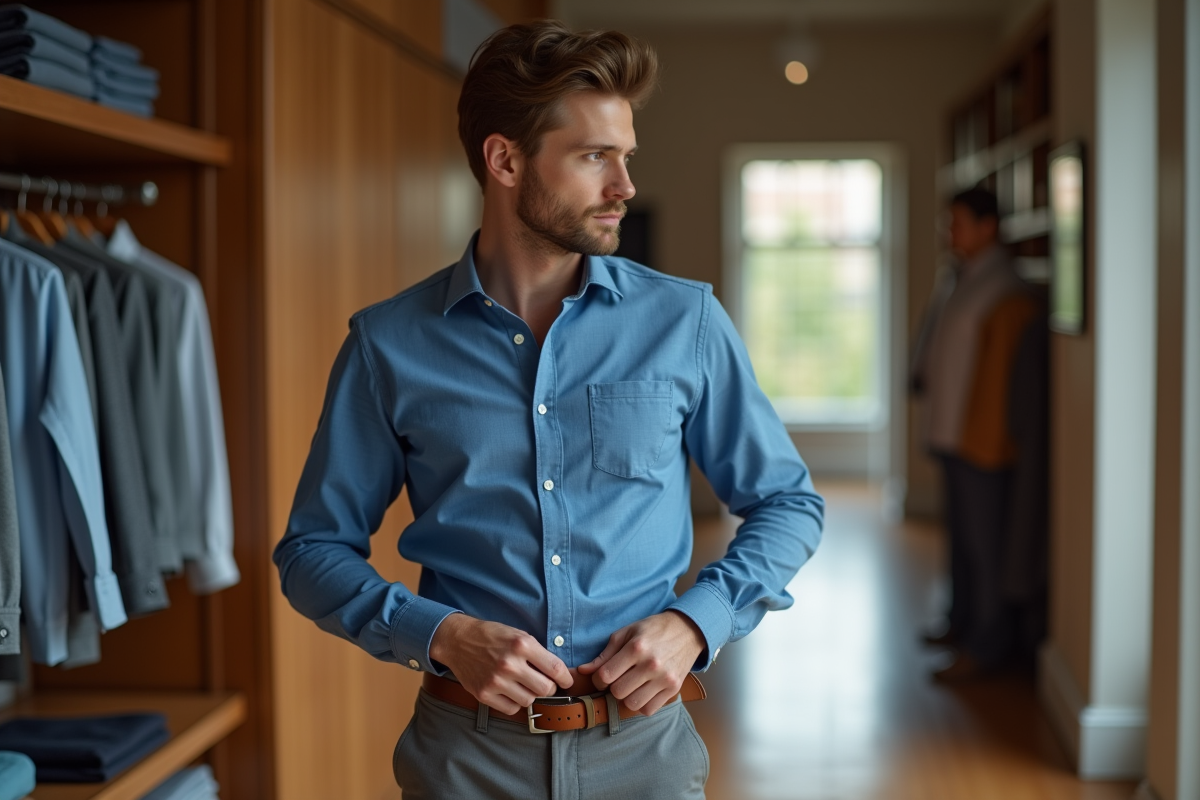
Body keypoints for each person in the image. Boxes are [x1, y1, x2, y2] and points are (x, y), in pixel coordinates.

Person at [272, 21, 825, 799]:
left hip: (646, 756)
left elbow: (787, 502)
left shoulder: (684, 322)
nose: (624, 186)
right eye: (595, 156)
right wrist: (440, 634)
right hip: (462, 761)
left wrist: (697, 621)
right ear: (505, 159)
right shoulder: (387, 344)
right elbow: (311, 552)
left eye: (625, 156)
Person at [912, 186, 1048, 682]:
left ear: (988, 226)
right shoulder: (962, 278)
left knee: (987, 549)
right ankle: (961, 623)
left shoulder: (1005, 289)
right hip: (952, 435)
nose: (950, 233)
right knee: (963, 546)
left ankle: (987, 646)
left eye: (958, 223)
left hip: (982, 444)